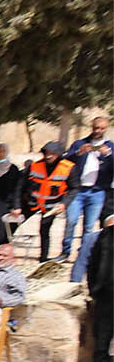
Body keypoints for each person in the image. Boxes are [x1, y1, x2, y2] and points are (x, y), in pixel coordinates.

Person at [64, 117, 113, 281]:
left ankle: (82, 253)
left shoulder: (111, 147)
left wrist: (109, 155)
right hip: (78, 190)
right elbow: (66, 161)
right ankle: (65, 251)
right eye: (95, 127)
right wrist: (79, 153)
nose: (97, 131)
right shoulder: (79, 143)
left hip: (98, 191)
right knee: (71, 220)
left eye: (101, 128)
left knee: (89, 226)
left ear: (105, 129)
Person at [18, 141, 74, 262]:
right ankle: (3, 250)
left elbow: (75, 187)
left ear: (59, 154)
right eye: (47, 153)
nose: (48, 156)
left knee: (44, 230)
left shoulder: (68, 168)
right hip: (31, 203)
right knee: (13, 224)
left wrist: (64, 203)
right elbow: (20, 186)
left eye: (52, 154)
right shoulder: (34, 166)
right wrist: (16, 205)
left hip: (51, 205)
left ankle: (43, 259)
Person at [80, 217, 113, 362]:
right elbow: (93, 263)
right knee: (101, 341)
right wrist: (94, 289)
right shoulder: (106, 236)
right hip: (107, 297)